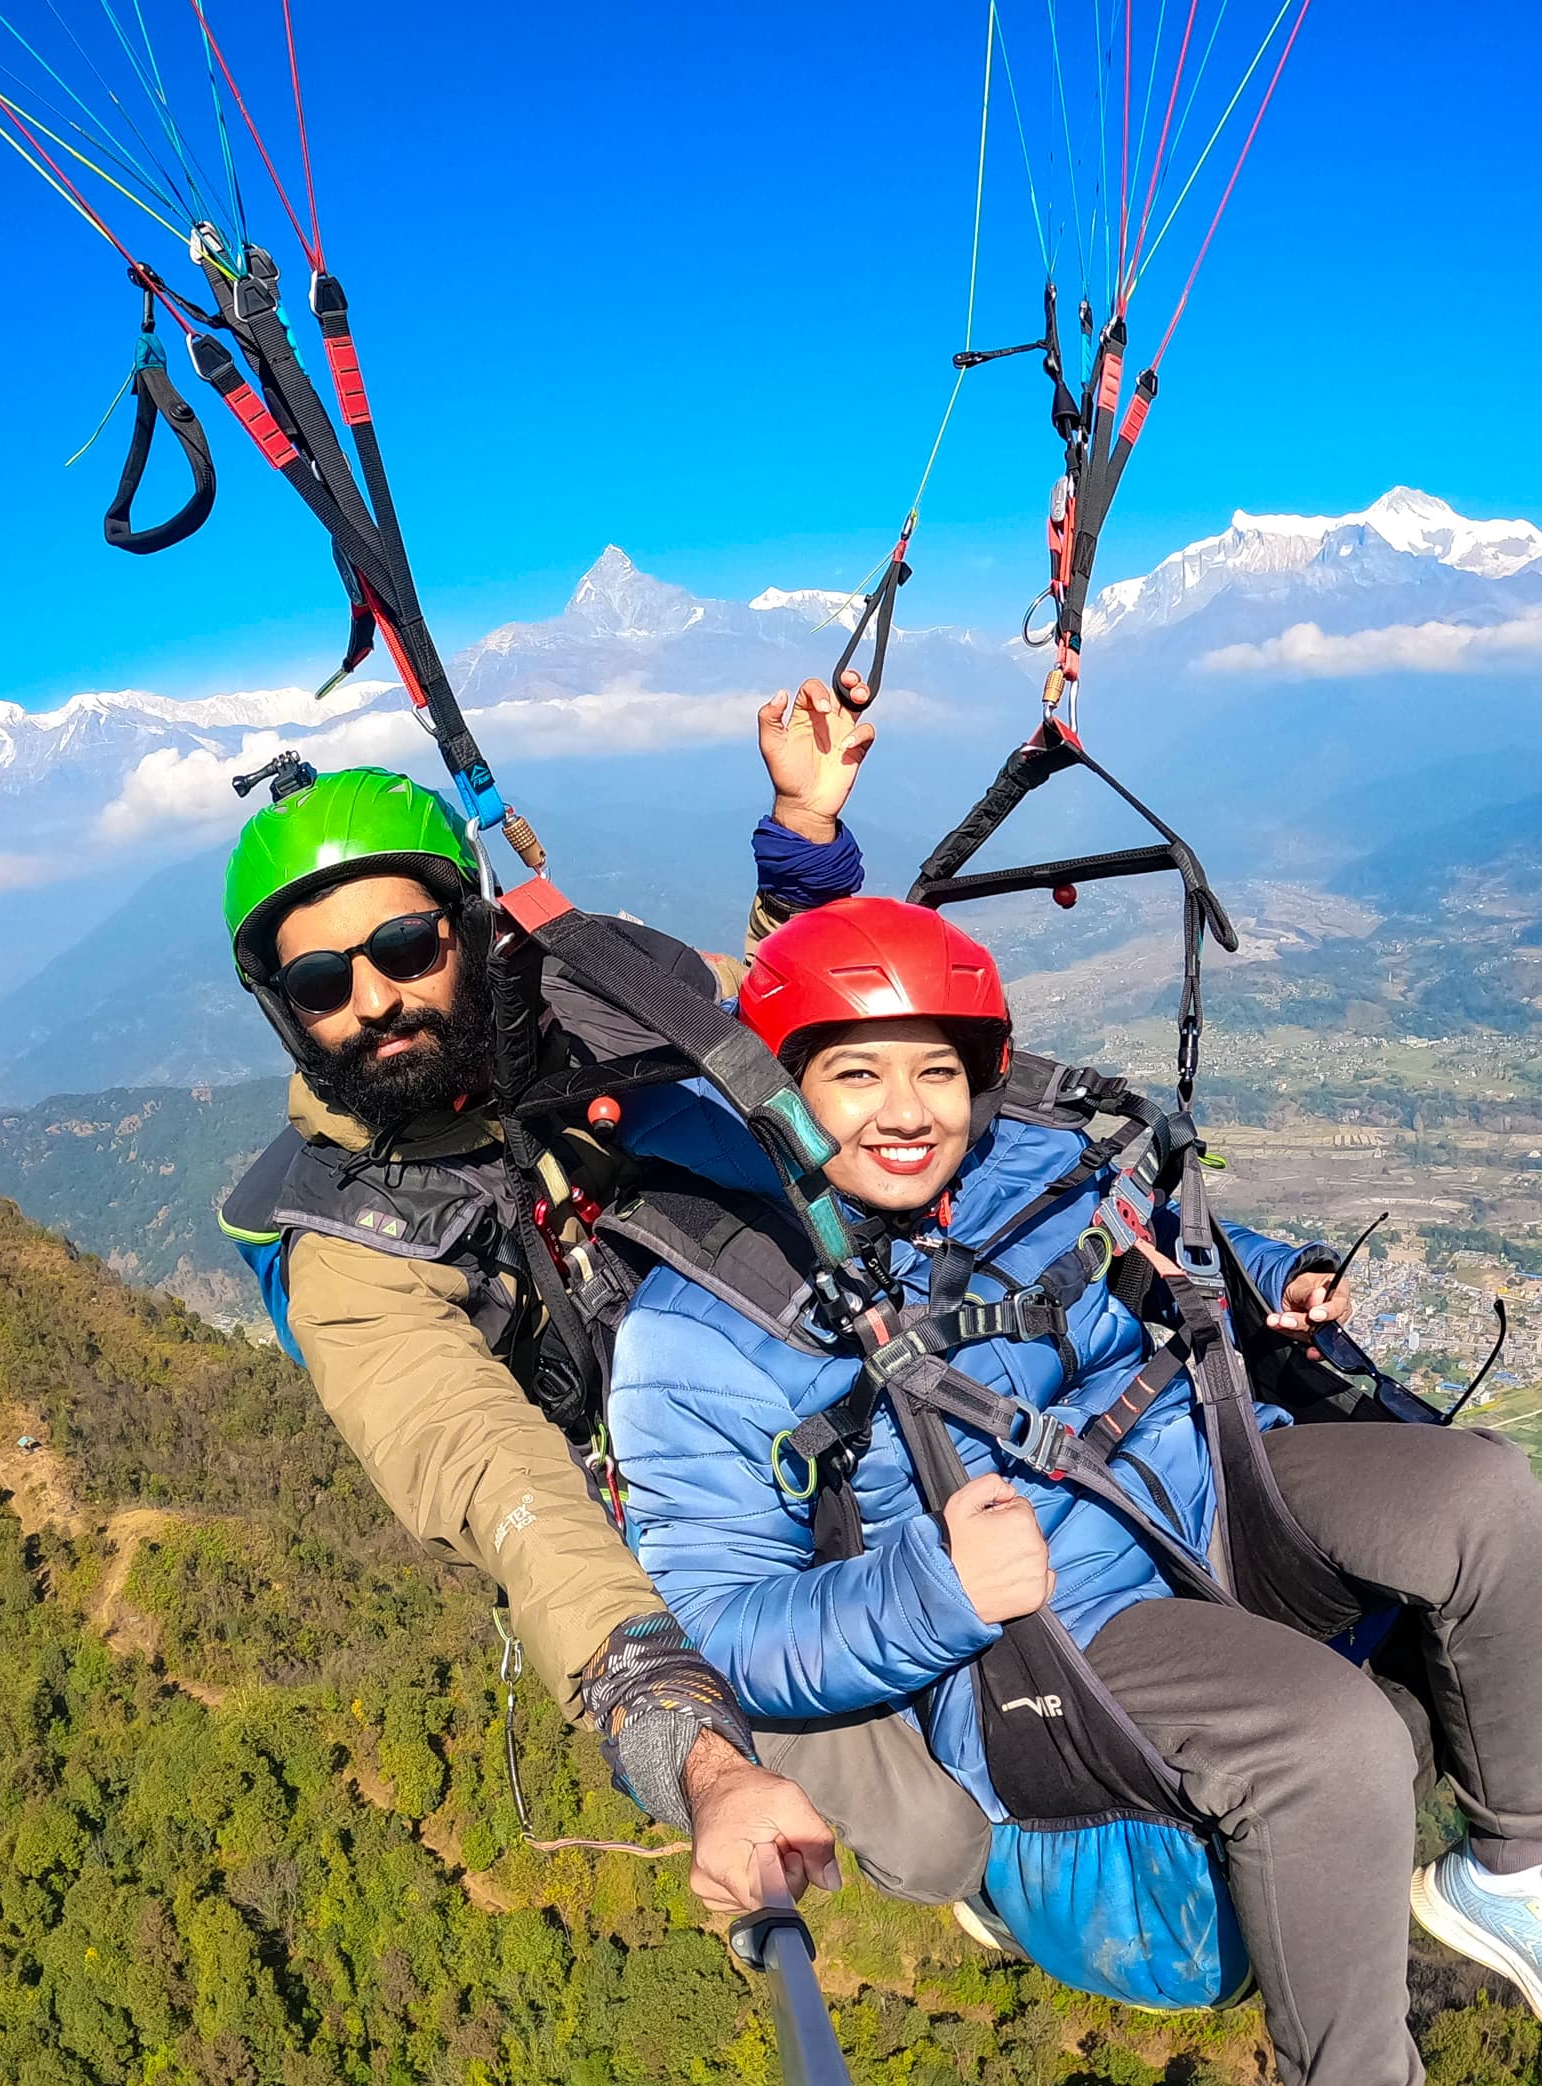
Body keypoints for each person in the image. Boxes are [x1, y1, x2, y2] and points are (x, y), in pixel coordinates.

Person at [600, 896, 1542, 2086]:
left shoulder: (1032, 1160)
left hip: (1205, 1484)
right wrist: (936, 1594)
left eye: (939, 1070)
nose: (909, 1113)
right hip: (1046, 1639)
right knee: (1330, 1743)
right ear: (783, 1090)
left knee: (1481, 1496)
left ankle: (1518, 1869)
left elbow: (1163, 1254)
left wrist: (1274, 1276)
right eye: (855, 1074)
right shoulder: (703, 1330)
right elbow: (734, 1628)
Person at [217, 683, 989, 1926]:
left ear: (468, 929)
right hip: (670, 1543)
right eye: (320, 981)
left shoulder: (580, 980)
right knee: (943, 1835)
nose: (374, 999)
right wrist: (687, 1742)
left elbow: (762, 1024)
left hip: (813, 1374)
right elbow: (493, 1477)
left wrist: (803, 838)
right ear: (283, 1009)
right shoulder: (349, 1255)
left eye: (406, 948)